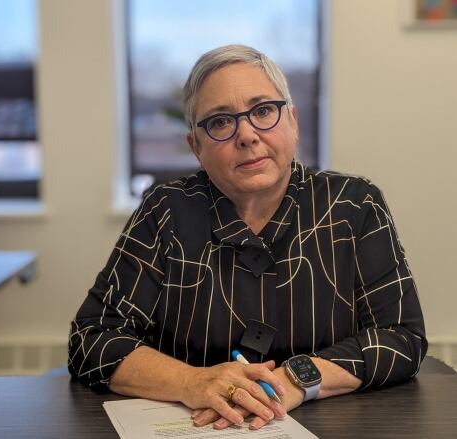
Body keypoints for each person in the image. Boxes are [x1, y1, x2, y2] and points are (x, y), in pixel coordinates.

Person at [68, 44, 427, 431]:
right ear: (196, 147)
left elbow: (401, 338)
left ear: (292, 121)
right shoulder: (166, 210)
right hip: (196, 426)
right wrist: (192, 381)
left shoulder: (353, 205)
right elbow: (92, 339)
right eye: (220, 122)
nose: (247, 134)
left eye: (262, 111)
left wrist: (295, 379)